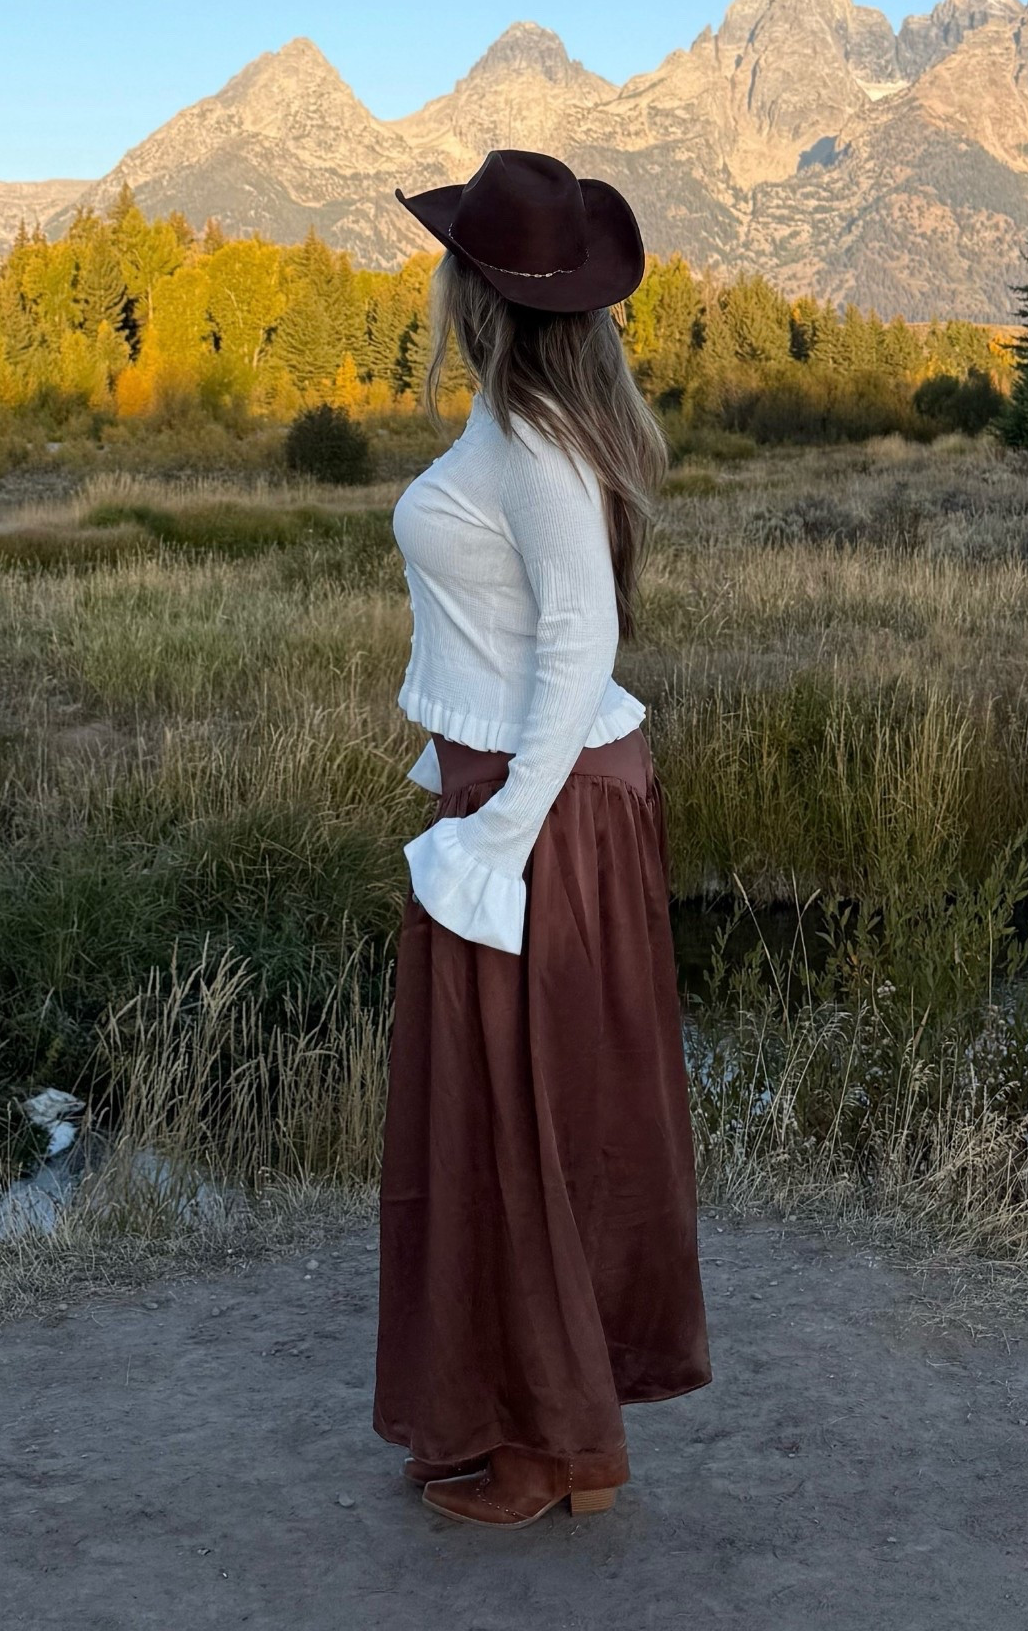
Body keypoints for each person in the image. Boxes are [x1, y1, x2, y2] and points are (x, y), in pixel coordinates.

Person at [373, 148, 711, 1530]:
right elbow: (512, 635)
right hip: (526, 793)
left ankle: (543, 1445)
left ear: (476, 289)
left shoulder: (528, 446)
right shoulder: (523, 428)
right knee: (532, 1117)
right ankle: (558, 1437)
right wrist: (455, 769)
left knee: (521, 1127)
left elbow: (580, 642)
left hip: (539, 810)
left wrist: (496, 833)